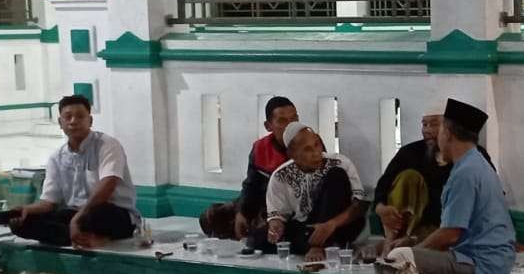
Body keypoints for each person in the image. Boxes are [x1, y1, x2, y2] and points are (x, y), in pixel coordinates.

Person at [387, 99, 516, 274]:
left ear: (448, 133)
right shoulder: (473, 163)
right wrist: (414, 243)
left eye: (439, 130)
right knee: (410, 254)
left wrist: (413, 253)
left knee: (398, 261)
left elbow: (451, 233)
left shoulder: (466, 173)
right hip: (484, 260)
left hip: (482, 265)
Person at [7, 94, 139, 249]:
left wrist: (78, 218)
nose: (73, 121)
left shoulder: (107, 145)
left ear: (90, 121)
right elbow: (49, 202)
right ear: (60, 122)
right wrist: (26, 210)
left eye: (80, 116)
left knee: (95, 215)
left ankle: (71, 235)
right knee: (22, 223)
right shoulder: (56, 158)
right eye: (68, 117)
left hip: (110, 212)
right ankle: (80, 236)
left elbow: (108, 184)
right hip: (74, 214)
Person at [372, 106, 495, 241]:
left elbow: (490, 197)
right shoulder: (409, 152)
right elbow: (383, 187)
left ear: (449, 130)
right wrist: (381, 210)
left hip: (455, 230)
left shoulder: (473, 157)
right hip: (412, 229)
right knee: (409, 177)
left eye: (435, 124)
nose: (428, 130)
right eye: (424, 124)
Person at [260, 122, 369, 261]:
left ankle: (320, 245)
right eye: (307, 149)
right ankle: (314, 243)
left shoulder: (339, 162)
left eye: (317, 144)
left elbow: (359, 207)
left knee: (337, 175)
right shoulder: (280, 176)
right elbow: (277, 216)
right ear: (292, 153)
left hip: (339, 226)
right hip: (307, 228)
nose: (316, 152)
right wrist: (275, 227)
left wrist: (331, 224)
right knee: (256, 239)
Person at [198, 97, 297, 241]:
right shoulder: (260, 148)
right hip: (260, 201)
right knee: (210, 217)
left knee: (268, 230)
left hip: (286, 208)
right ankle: (244, 229)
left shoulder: (309, 144)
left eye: (294, 119)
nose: (290, 126)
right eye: (282, 121)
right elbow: (251, 185)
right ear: (268, 126)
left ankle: (253, 233)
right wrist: (242, 212)